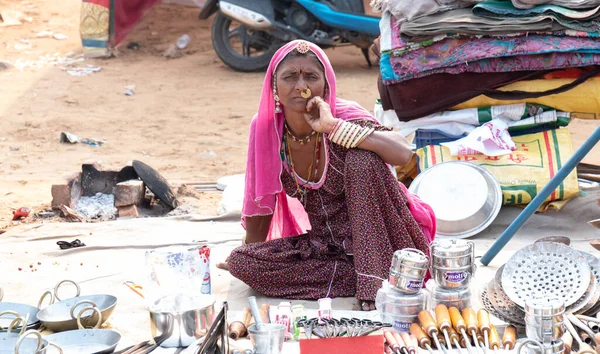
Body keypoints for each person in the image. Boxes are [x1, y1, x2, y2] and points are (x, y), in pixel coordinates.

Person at [223, 40, 435, 311]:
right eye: (290, 77)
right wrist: (251, 256)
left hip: (386, 239)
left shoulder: (343, 116)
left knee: (361, 159)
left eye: (311, 76)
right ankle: (374, 277)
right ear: (274, 87)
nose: (301, 85)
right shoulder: (267, 128)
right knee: (241, 262)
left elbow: (403, 153)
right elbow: (260, 203)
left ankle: (375, 278)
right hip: (327, 247)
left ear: (326, 85)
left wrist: (333, 127)